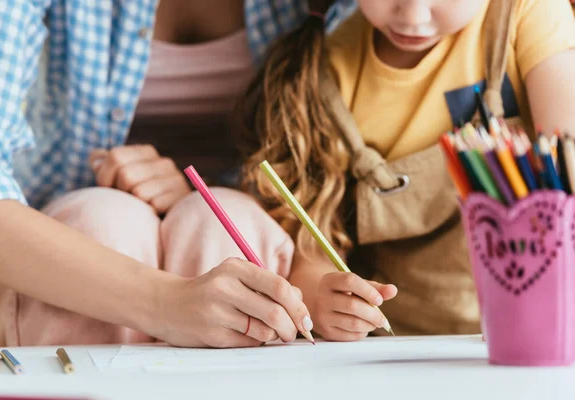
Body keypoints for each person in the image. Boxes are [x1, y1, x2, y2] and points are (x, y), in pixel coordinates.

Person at [0, 0, 353, 348]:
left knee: (222, 223)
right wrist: (168, 303)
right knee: (104, 220)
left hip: (243, 217)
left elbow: (328, 165)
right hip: (71, 234)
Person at [238, 0, 575, 339]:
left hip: (537, 333)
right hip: (396, 348)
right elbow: (313, 248)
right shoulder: (327, 73)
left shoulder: (525, 11)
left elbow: (567, 151)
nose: (413, 16)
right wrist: (321, 296)